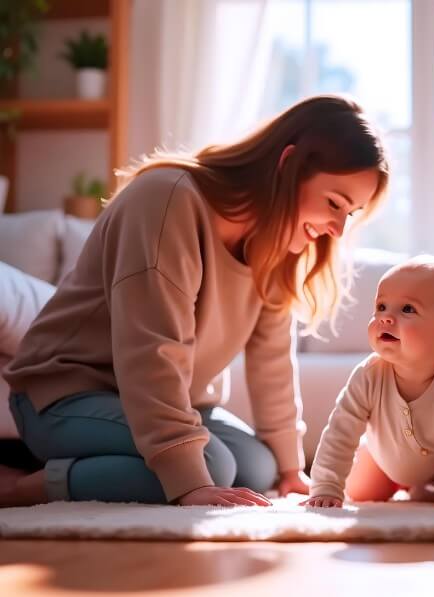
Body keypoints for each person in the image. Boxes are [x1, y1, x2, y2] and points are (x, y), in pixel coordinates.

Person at [0, 95, 390, 508]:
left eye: (350, 214)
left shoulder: (276, 249)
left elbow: (272, 363)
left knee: (259, 466)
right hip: (64, 395)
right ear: (287, 165)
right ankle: (21, 487)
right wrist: (189, 479)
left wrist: (292, 471)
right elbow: (152, 353)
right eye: (334, 204)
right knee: (207, 465)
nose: (337, 230)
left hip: (162, 402)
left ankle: (107, 467)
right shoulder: (167, 200)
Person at [305, 256, 434, 511]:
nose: (386, 318)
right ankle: (412, 486)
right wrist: (326, 486)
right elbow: (340, 433)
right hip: (383, 460)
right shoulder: (368, 375)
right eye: (381, 307)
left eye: (407, 309)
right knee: (361, 491)